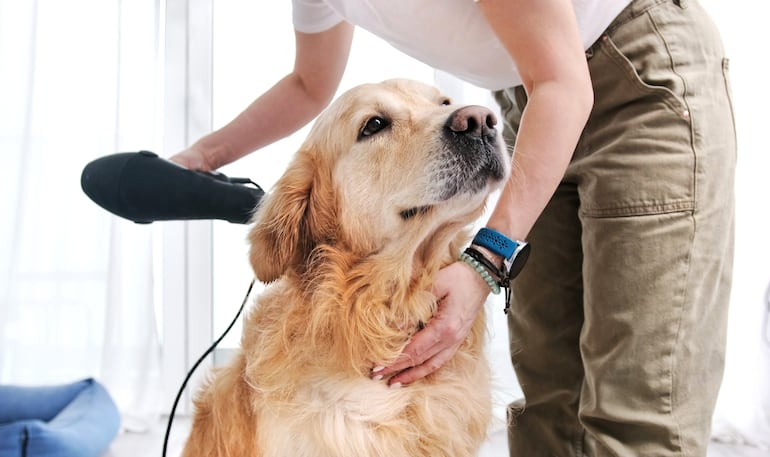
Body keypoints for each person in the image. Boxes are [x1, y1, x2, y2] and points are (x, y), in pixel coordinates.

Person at [171, 0, 736, 455]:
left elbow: (563, 83)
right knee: (550, 406)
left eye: (442, 106)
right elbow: (308, 83)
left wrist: (487, 257)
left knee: (636, 412)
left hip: (635, 84)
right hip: (532, 96)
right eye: (378, 126)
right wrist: (202, 154)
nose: (460, 119)